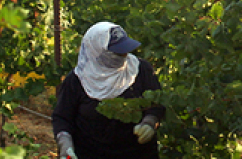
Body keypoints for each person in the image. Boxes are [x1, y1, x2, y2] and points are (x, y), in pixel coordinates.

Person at [52, 21, 165, 159]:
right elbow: (62, 118)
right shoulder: (77, 81)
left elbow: (157, 103)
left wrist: (150, 122)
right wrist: (65, 145)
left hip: (138, 154)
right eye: (118, 52)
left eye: (125, 50)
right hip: (90, 154)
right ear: (97, 52)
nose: (124, 55)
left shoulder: (141, 70)